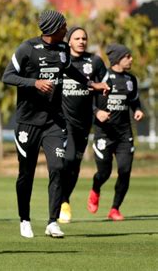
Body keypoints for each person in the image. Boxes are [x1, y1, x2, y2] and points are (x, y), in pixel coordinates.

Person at [2, 10, 109, 239]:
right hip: (27, 122)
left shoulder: (62, 49)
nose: (67, 30)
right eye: (64, 27)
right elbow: (8, 76)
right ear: (52, 29)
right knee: (26, 173)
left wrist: (91, 84)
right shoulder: (27, 48)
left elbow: (70, 69)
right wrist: (34, 83)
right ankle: (24, 219)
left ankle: (52, 221)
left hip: (54, 121)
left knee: (58, 168)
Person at [87, 43, 144, 221]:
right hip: (104, 133)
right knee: (104, 173)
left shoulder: (131, 80)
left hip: (124, 134)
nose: (131, 59)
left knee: (125, 171)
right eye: (128, 56)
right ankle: (96, 189)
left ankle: (115, 209)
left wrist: (137, 109)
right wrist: (98, 112)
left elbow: (134, 100)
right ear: (118, 59)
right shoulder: (103, 77)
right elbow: (86, 101)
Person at [58, 26, 108, 223]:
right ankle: (61, 201)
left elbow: (104, 89)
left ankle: (65, 202)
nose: (81, 41)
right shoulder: (62, 61)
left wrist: (98, 111)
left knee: (75, 165)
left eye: (84, 38)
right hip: (64, 121)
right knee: (68, 159)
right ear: (68, 41)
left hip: (84, 122)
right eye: (77, 38)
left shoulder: (94, 61)